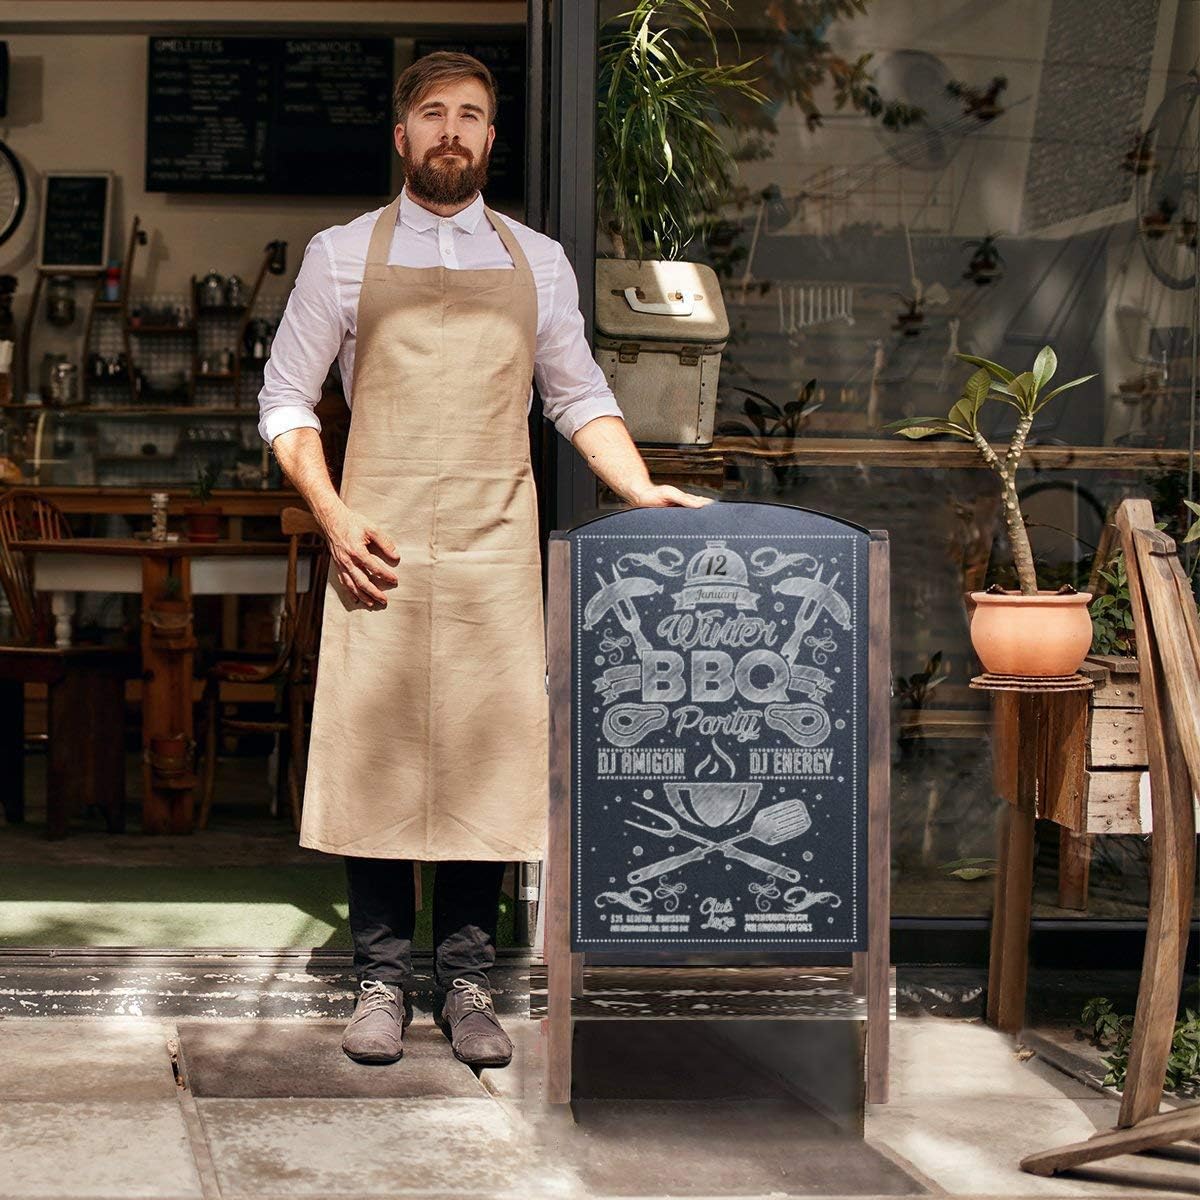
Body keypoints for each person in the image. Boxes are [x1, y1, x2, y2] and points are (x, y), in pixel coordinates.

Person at [258, 50, 712, 1068]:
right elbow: (285, 403)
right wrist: (333, 517)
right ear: (402, 135)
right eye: (432, 114)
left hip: (494, 542)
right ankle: (379, 978)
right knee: (377, 757)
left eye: (470, 115)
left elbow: (578, 394)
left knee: (486, 750)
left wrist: (638, 488)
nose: (452, 131)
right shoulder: (339, 254)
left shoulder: (538, 262)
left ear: (491, 138)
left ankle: (468, 978)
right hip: (376, 543)